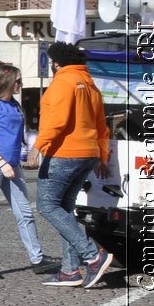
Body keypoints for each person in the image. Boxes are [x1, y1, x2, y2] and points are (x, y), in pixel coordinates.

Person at [34, 42, 114, 288]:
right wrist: (101, 156)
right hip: (88, 153)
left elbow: (57, 120)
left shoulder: (63, 82)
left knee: (47, 205)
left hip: (65, 152)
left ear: (56, 62)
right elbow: (102, 125)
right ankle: (70, 271)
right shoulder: (90, 85)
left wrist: (38, 145)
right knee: (65, 209)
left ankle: (93, 255)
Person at [0, 64, 54, 279]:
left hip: (11, 164)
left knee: (24, 211)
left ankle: (37, 259)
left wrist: (18, 158)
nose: (21, 84)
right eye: (18, 81)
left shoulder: (14, 105)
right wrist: (1, 162)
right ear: (6, 82)